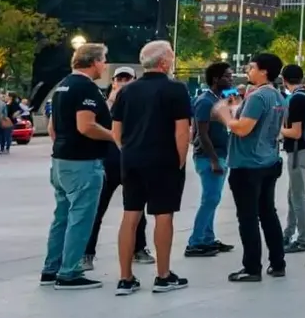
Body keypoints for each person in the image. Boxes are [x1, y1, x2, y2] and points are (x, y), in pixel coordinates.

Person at [110, 40, 191, 295]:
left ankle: (125, 278)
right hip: (163, 158)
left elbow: (116, 131)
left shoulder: (126, 91)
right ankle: (163, 275)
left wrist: (128, 150)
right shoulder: (175, 89)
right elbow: (182, 130)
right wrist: (180, 160)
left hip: (132, 158)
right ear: (164, 62)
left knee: (130, 215)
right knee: (163, 215)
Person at [40, 44, 115, 289]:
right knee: (81, 217)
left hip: (61, 160)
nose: (104, 65)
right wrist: (115, 137)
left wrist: (64, 145)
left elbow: (52, 127)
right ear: (94, 62)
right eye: (103, 60)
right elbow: (86, 126)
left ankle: (51, 268)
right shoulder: (85, 88)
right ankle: (70, 271)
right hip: (83, 162)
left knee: (61, 216)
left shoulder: (62, 87)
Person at [213, 52, 288, 282]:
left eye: (252, 67)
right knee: (268, 213)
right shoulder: (277, 96)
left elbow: (243, 129)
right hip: (268, 160)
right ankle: (278, 262)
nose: (248, 70)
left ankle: (252, 267)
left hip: (248, 164)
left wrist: (226, 116)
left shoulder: (258, 97)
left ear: (264, 71)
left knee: (248, 217)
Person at [84, 67, 149, 273]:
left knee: (136, 208)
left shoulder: (139, 102)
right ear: (113, 81)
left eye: (127, 79)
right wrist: (112, 101)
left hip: (131, 160)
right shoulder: (104, 102)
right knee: (97, 209)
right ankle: (87, 252)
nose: (123, 82)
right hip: (108, 161)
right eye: (120, 78)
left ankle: (139, 248)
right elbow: (95, 125)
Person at [185, 62, 234, 258]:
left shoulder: (219, 99)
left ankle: (207, 238)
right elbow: (202, 133)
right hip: (209, 156)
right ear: (216, 79)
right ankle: (195, 242)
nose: (231, 79)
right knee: (210, 199)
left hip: (221, 153)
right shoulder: (205, 102)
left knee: (213, 199)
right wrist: (214, 160)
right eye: (227, 76)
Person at [280, 64, 305, 254]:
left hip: (297, 150)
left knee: (297, 196)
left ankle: (303, 239)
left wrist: (279, 130)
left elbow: (295, 132)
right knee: (293, 195)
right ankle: (289, 232)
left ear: (284, 79)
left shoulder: (296, 99)